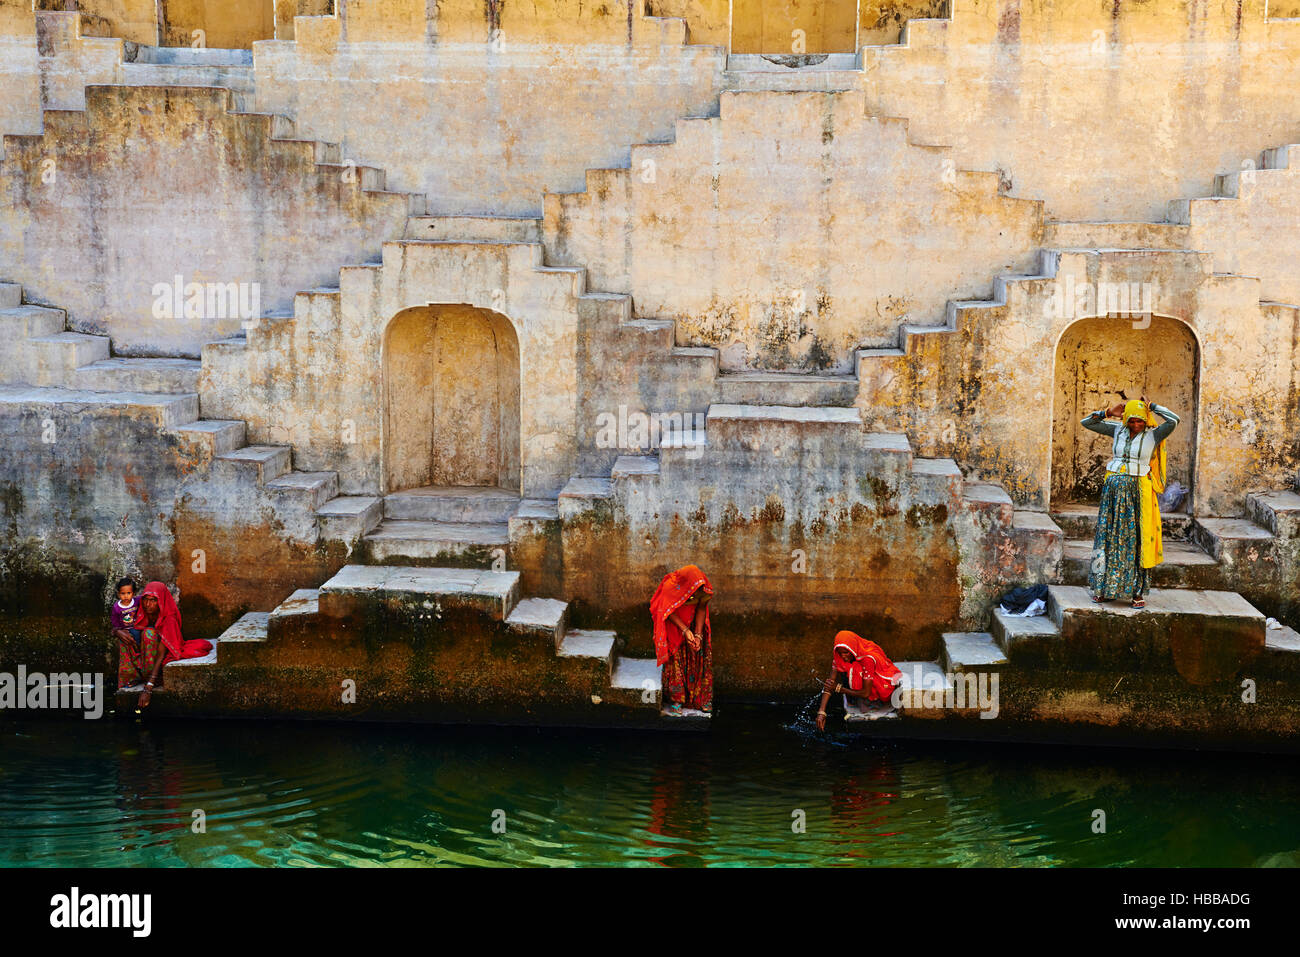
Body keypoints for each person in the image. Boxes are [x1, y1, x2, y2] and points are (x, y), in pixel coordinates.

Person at [1080, 397, 1180, 608]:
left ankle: (1136, 592)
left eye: (1140, 421)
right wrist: (1108, 412)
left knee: (1136, 539)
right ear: (1126, 419)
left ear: (1145, 420)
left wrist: (1153, 407)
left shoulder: (1154, 434)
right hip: (1112, 492)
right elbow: (1086, 422)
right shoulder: (1117, 430)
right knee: (1109, 536)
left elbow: (1173, 420)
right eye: (1132, 420)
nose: (1135, 425)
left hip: (1139, 493)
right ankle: (1103, 588)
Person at [117, 581, 212, 711]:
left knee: (148, 633)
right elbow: (125, 624)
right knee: (125, 637)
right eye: (145, 599)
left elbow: (162, 653)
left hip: (161, 661)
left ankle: (150, 678)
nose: (147, 604)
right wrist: (117, 631)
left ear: (160, 601)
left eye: (153, 600)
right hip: (147, 656)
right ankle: (131, 679)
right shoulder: (142, 611)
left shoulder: (169, 618)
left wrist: (148, 687)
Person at [649, 565, 713, 713]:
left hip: (694, 623)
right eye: (693, 592)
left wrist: (697, 635)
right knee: (676, 661)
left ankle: (701, 699)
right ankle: (676, 700)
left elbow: (701, 608)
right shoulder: (670, 587)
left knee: (698, 657)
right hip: (674, 626)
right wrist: (685, 630)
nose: (696, 594)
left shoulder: (703, 589)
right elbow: (666, 610)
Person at [816, 631, 902, 731]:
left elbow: (866, 693)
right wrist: (821, 712)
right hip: (864, 689)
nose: (843, 656)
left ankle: (876, 702)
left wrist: (839, 689)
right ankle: (865, 702)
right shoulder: (839, 658)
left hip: (881, 687)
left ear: (852, 649)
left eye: (846, 652)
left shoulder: (867, 659)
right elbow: (829, 684)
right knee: (853, 672)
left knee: (864, 706)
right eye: (840, 653)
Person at [110, 577, 144, 655]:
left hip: (137, 625)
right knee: (132, 636)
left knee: (138, 633)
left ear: (133, 593)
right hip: (126, 629)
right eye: (123, 593)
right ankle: (137, 650)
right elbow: (114, 619)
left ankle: (140, 649)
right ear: (118, 594)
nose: (126, 596)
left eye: (129, 593)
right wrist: (118, 629)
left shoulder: (137, 601)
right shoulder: (116, 607)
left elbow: (145, 597)